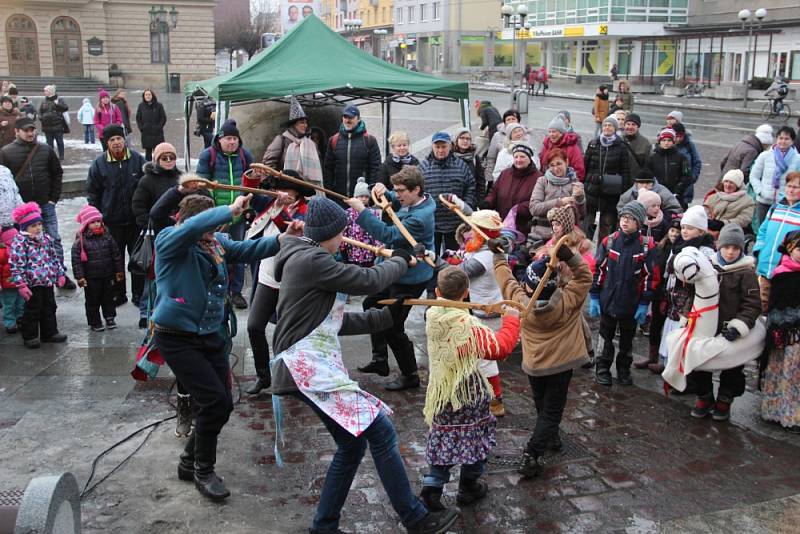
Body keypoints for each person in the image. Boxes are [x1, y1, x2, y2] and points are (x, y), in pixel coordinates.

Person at [270, 196, 459, 534]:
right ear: (330, 232)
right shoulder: (312, 260)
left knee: (353, 443)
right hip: (304, 365)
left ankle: (324, 526)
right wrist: (403, 260)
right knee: (381, 431)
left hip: (307, 362)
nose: (344, 239)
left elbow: (332, 322)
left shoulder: (309, 257)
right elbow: (368, 281)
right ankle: (415, 519)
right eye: (342, 233)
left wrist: (385, 317)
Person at [154, 192, 294, 501]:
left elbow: (245, 248)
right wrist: (227, 211)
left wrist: (283, 239)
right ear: (189, 221)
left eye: (214, 228)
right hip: (177, 336)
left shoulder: (214, 242)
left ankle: (189, 461)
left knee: (223, 404)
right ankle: (204, 471)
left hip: (212, 334)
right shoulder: (170, 240)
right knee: (213, 401)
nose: (213, 233)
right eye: (209, 226)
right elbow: (192, 230)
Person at [418, 267, 520, 508]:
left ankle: (432, 488)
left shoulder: (432, 313)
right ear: (466, 293)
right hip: (468, 392)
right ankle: (468, 486)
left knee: (443, 436)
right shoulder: (467, 324)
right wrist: (512, 320)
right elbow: (500, 348)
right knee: (473, 436)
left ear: (436, 291)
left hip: (442, 391)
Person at [493, 231, 590, 477]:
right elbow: (585, 276)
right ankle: (533, 452)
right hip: (561, 365)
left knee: (542, 405)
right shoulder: (568, 299)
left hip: (535, 364)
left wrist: (498, 256)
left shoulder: (520, 302)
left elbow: (505, 280)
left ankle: (551, 437)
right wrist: (570, 256)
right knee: (551, 410)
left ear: (529, 285)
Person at [352, 167, 436, 390]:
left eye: (400, 191)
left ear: (416, 189)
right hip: (395, 269)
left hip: (410, 277)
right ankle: (380, 360)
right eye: (396, 190)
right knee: (371, 304)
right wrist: (381, 191)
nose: (397, 195)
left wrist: (362, 212)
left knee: (392, 326)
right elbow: (395, 201)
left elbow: (389, 235)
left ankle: (410, 375)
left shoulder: (420, 217)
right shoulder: (415, 201)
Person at [243, 169, 313, 395]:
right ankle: (263, 376)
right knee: (254, 326)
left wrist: (279, 209)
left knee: (287, 332)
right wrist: (254, 174)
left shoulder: (306, 212)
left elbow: (290, 230)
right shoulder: (269, 203)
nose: (284, 194)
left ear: (298, 192)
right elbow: (248, 188)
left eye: (289, 190)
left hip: (291, 282)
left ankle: (291, 377)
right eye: (280, 190)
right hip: (267, 276)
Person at [686, 224, 760, 421]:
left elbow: (752, 305)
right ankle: (704, 396)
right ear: (719, 246)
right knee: (698, 361)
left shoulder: (746, 273)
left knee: (732, 368)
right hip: (705, 325)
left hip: (730, 328)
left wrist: (739, 325)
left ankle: (725, 400)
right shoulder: (707, 266)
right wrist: (688, 316)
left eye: (735, 248)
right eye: (727, 247)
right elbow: (693, 293)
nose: (730, 252)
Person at [448, 208, 511, 417]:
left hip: (489, 314)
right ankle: (478, 394)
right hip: (484, 311)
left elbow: (457, 275)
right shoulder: (494, 249)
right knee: (477, 356)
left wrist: (436, 261)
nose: (470, 233)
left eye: (474, 230)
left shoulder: (485, 257)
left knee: (485, 358)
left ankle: (495, 401)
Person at [0, 117, 76, 290]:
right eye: (26, 130)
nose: (30, 133)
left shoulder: (45, 150)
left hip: (45, 204)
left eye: (32, 130)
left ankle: (59, 275)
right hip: (22, 210)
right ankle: (26, 278)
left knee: (53, 240)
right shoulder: (6, 152)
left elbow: (57, 173)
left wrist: (53, 198)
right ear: (17, 132)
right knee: (22, 244)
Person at [589, 201, 657, 386]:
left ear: (639, 223)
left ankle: (623, 369)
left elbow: (650, 277)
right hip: (608, 301)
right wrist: (594, 295)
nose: (625, 222)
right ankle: (602, 368)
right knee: (605, 338)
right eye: (624, 217)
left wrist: (644, 303)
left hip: (631, 303)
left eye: (631, 219)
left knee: (627, 341)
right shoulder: (609, 241)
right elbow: (598, 269)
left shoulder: (646, 247)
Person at [196, 118, 255, 309]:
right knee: (214, 252)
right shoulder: (208, 156)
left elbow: (251, 183)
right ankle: (218, 289)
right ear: (220, 139)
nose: (232, 142)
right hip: (215, 215)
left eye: (235, 139)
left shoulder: (245, 155)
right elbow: (201, 184)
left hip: (238, 214)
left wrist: (246, 206)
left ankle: (236, 292)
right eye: (228, 138)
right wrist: (213, 210)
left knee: (238, 253)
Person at [86, 124, 146, 306]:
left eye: (119, 138)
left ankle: (138, 294)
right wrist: (98, 218)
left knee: (138, 260)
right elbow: (93, 193)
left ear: (124, 139)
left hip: (135, 222)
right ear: (107, 143)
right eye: (112, 140)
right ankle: (118, 294)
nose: (117, 143)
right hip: (111, 222)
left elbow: (146, 188)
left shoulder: (137, 160)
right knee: (115, 260)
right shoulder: (99, 164)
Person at [655, 205, 715, 373]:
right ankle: (667, 365)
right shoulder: (678, 245)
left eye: (690, 228)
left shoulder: (705, 250)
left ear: (701, 231)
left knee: (684, 336)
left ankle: (679, 372)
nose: (685, 231)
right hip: (674, 297)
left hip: (689, 299)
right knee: (670, 331)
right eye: (683, 228)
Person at [131, 141, 182, 326]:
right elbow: (138, 206)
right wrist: (149, 223)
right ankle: (145, 311)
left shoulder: (181, 178)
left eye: (172, 157)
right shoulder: (147, 180)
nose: (169, 161)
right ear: (157, 160)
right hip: (156, 235)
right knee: (151, 276)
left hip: (178, 233)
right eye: (164, 158)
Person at [9, 202, 68, 348]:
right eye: (33, 226)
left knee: (49, 307)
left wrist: (60, 274)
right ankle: (30, 336)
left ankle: (50, 332)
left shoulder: (46, 239)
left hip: (47, 281)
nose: (38, 228)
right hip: (32, 283)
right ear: (24, 228)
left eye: (39, 224)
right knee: (33, 310)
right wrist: (21, 284)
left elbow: (54, 258)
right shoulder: (21, 242)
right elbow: (16, 265)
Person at [761, 230, 800, 432]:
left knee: (795, 374)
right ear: (790, 249)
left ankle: (792, 413)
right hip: (785, 334)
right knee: (783, 370)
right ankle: (777, 410)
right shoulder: (782, 274)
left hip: (795, 333)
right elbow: (775, 305)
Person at [635, 219, 680, 370]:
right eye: (673, 231)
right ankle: (652, 357)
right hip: (659, 292)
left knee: (670, 328)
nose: (674, 234)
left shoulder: (681, 249)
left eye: (677, 232)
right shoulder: (661, 247)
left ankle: (666, 361)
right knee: (655, 325)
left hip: (674, 295)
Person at [420, 131, 475, 255]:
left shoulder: (461, 166)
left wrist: (465, 206)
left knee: (454, 258)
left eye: (443, 147)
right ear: (432, 147)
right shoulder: (423, 167)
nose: (440, 150)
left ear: (450, 146)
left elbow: (470, 187)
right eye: (437, 147)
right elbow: (417, 193)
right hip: (431, 223)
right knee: (430, 257)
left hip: (455, 223)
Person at [71, 205, 124, 332]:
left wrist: (119, 270)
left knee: (109, 297)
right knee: (92, 300)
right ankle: (94, 321)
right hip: (91, 277)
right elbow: (76, 261)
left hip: (107, 274)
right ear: (86, 224)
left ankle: (110, 317)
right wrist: (80, 277)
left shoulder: (107, 237)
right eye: (92, 222)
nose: (96, 224)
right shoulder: (81, 242)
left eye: (98, 221)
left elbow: (116, 254)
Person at [753, 171, 800, 313]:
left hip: (788, 272)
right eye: (789, 186)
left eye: (796, 187)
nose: (791, 190)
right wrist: (759, 250)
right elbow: (763, 231)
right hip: (766, 266)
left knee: (781, 310)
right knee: (761, 306)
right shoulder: (776, 208)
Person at [583, 116, 631, 241]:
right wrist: (584, 183)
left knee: (606, 223)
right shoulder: (594, 143)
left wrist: (622, 189)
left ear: (615, 128)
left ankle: (602, 251)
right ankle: (585, 249)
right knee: (587, 222)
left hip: (610, 191)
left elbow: (625, 170)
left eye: (610, 125)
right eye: (605, 125)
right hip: (592, 189)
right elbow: (585, 166)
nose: (607, 128)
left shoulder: (621, 146)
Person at [528, 148, 585, 247]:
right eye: (552, 165)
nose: (555, 168)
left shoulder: (575, 184)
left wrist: (580, 199)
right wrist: (559, 202)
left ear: (566, 162)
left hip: (565, 238)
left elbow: (582, 215)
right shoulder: (542, 181)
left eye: (559, 164)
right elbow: (534, 208)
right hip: (540, 236)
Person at [323, 105, 381, 199]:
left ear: (358, 119)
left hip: (362, 198)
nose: (347, 120)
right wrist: (329, 194)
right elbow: (328, 169)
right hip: (338, 197)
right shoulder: (333, 140)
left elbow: (376, 169)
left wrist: (370, 194)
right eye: (345, 117)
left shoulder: (369, 140)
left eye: (351, 117)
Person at [262, 97, 322, 187]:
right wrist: (276, 180)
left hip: (308, 187)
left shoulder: (311, 144)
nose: (305, 125)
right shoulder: (282, 140)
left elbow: (318, 166)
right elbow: (268, 164)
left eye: (306, 122)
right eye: (302, 122)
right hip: (285, 187)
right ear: (294, 124)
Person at [749, 126, 800, 232]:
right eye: (780, 138)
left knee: (778, 231)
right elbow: (754, 176)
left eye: (787, 139)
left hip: (785, 202)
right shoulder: (765, 155)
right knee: (762, 230)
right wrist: (760, 191)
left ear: (792, 141)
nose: (783, 141)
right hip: (764, 201)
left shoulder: (797, 159)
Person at [484, 143, 541, 237]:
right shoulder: (505, 174)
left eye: (522, 157)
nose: (519, 160)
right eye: (516, 157)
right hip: (500, 225)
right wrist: (488, 202)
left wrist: (517, 209)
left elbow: (537, 202)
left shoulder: (538, 178)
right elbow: (494, 191)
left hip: (523, 228)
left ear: (529, 159)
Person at [645, 128, 692, 204]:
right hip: (656, 195)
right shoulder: (652, 158)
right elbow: (647, 175)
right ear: (659, 141)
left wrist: (678, 191)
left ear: (673, 142)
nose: (666, 143)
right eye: (663, 140)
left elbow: (687, 176)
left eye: (669, 140)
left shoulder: (681, 157)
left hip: (676, 196)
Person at [704, 169, 756, 234]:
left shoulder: (748, 201)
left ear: (738, 185)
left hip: (730, 231)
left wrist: (723, 224)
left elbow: (744, 219)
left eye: (732, 183)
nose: (728, 185)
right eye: (726, 181)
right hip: (708, 229)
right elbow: (704, 210)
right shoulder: (714, 196)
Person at [617, 169, 683, 220]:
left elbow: (676, 209)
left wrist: (660, 217)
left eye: (648, 183)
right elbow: (621, 211)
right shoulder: (628, 195)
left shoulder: (663, 192)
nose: (645, 185)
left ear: (653, 183)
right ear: (636, 184)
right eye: (642, 183)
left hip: (661, 225)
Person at [539, 116, 585, 181]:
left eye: (554, 132)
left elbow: (579, 170)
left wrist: (571, 184)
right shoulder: (546, 145)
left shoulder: (571, 147)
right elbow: (541, 165)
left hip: (565, 184)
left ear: (561, 133)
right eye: (549, 132)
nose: (551, 134)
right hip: (547, 183)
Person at [483, 109, 522, 186]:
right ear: (504, 122)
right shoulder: (497, 136)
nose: (511, 121)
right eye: (508, 119)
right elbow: (491, 158)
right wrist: (490, 178)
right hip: (501, 176)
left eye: (513, 119)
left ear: (518, 121)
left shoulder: (524, 135)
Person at [452, 127, 486, 204]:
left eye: (468, 139)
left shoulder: (474, 157)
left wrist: (480, 199)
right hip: (454, 199)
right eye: (462, 138)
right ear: (456, 140)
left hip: (471, 200)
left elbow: (480, 180)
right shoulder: (450, 156)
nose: (465, 141)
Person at [672, 123, 702, 205]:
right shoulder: (667, 145)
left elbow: (697, 162)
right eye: (676, 136)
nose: (678, 139)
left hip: (686, 187)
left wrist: (692, 177)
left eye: (680, 136)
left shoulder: (689, 145)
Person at [136, 89, 167, 161]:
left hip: (157, 132)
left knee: (158, 151)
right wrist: (141, 128)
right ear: (144, 96)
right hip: (146, 132)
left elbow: (163, 118)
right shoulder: (141, 106)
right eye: (146, 95)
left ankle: (158, 166)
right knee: (148, 152)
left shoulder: (159, 105)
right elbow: (138, 118)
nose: (148, 96)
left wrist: (159, 127)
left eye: (149, 94)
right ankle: (149, 167)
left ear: (152, 95)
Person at [38, 85, 68, 160]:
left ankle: (61, 156)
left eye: (46, 90)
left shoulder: (59, 99)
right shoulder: (43, 101)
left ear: (50, 91)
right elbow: (40, 111)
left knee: (59, 142)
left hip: (58, 125)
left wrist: (57, 104)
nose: (44, 92)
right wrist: (41, 118)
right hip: (47, 126)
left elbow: (65, 108)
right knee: (49, 143)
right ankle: (51, 156)